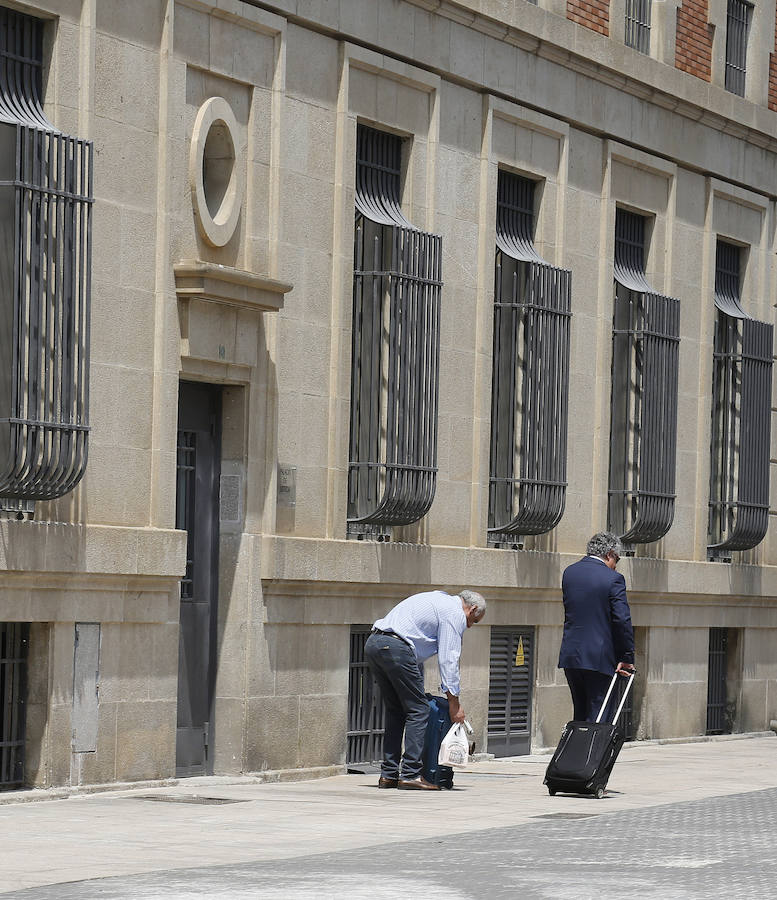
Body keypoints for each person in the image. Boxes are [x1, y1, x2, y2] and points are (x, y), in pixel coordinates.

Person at [365, 589, 486, 791]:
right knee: (419, 709)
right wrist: (454, 704)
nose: (470, 625)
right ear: (472, 608)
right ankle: (411, 774)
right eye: (473, 620)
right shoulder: (454, 613)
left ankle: (388, 775)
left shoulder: (439, 599)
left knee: (397, 711)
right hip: (396, 647)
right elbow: (449, 659)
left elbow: (415, 649)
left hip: (375, 643)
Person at [558, 532, 635, 723]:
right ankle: (593, 753)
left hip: (572, 656)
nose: (616, 565)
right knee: (600, 718)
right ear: (609, 554)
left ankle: (578, 753)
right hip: (600, 658)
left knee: (581, 715)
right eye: (616, 559)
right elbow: (622, 620)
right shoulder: (613, 579)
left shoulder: (570, 572)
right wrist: (626, 656)